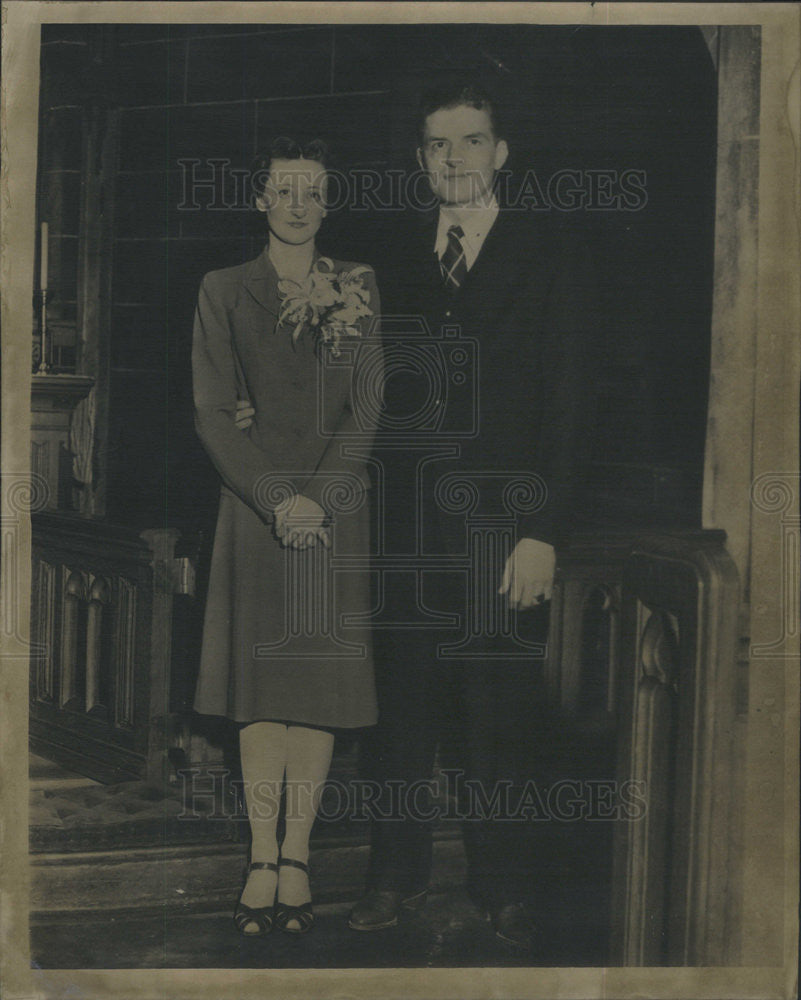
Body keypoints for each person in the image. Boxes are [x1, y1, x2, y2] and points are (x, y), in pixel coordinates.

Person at [347, 79, 594, 951]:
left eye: (472, 140)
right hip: (406, 530)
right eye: (438, 144)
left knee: (499, 714)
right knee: (399, 715)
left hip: (504, 528)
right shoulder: (388, 253)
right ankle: (394, 876)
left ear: (501, 152)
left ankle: (506, 889)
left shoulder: (552, 251)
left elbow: (570, 406)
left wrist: (543, 532)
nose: (454, 157)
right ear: (420, 160)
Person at [191, 137, 382, 937]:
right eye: (283, 190)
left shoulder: (360, 287)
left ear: (328, 202)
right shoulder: (223, 290)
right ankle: (258, 855)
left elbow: (367, 408)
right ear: (259, 200)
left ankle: (297, 854)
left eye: (313, 192)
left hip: (335, 512)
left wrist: (318, 499)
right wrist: (278, 500)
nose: (298, 204)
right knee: (261, 698)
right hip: (255, 511)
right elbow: (211, 411)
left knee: (315, 698)